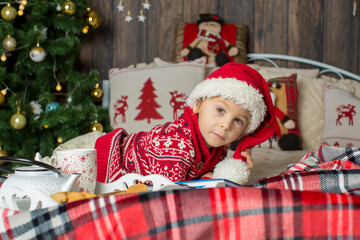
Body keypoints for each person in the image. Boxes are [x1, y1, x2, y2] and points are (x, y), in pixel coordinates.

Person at [95, 62, 276, 184]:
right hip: (109, 156)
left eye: (237, 121)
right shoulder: (178, 144)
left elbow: (203, 178)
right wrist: (206, 178)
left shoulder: (218, 148)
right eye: (220, 110)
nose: (226, 125)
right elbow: (172, 193)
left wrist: (237, 161)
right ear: (197, 104)